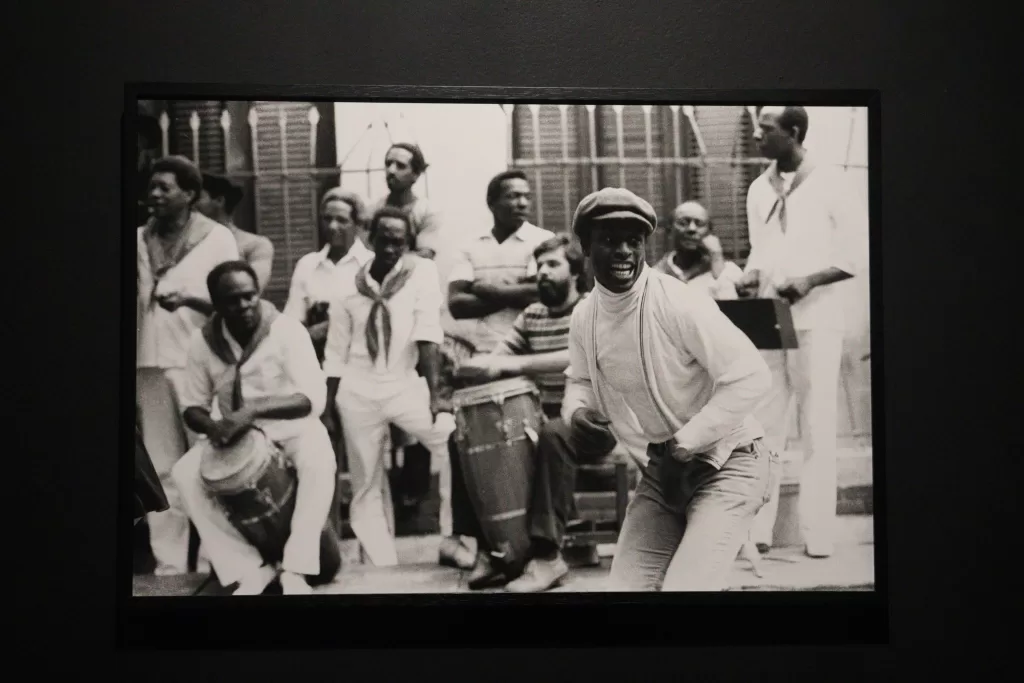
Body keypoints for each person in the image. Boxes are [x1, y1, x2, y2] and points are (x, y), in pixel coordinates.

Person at [562, 187, 776, 592]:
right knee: (624, 591)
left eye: (634, 241)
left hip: (732, 460)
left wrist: (685, 443)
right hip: (665, 472)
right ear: (586, 246)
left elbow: (751, 375)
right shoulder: (584, 315)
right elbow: (580, 380)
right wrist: (575, 412)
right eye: (609, 241)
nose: (624, 251)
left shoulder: (677, 301)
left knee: (686, 591)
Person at [736, 106, 867, 558]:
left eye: (766, 128)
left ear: (793, 133)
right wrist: (750, 277)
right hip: (771, 319)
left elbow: (854, 257)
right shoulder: (758, 189)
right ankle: (758, 530)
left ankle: (818, 534)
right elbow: (760, 252)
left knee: (816, 426)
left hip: (817, 320)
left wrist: (808, 281)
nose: (756, 135)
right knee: (764, 425)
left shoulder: (833, 182)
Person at [172, 261, 340, 596]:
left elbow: (312, 399)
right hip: (234, 434)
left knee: (319, 454)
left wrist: (251, 412)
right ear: (216, 305)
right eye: (233, 300)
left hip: (287, 425)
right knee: (185, 472)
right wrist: (212, 426)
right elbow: (191, 405)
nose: (245, 305)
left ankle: (296, 569)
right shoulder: (202, 341)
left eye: (250, 296)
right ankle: (248, 568)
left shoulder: (287, 330)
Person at [455, 234, 600, 591]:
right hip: (539, 419)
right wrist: (474, 364)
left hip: (592, 421)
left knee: (554, 432)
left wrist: (510, 365)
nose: (542, 274)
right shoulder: (532, 315)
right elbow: (500, 358)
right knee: (460, 435)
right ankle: (492, 549)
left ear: (576, 270)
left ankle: (548, 556)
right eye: (539, 267)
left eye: (553, 265)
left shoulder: (592, 310)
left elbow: (575, 359)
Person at [322, 206, 456, 567]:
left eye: (399, 242)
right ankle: (382, 565)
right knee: (365, 482)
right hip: (357, 390)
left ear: (408, 243)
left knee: (451, 440)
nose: (390, 249)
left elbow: (428, 335)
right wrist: (328, 408)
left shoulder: (421, 272)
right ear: (370, 238)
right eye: (384, 240)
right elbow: (335, 352)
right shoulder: (345, 283)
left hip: (405, 386)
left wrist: (435, 395)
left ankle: (454, 537)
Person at [442, 169, 556, 584]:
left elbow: (541, 294)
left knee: (531, 446)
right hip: (482, 361)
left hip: (534, 352)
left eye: (526, 196)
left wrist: (485, 289)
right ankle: (479, 540)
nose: (522, 203)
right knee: (466, 445)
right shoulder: (471, 246)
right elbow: (456, 304)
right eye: (512, 196)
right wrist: (512, 288)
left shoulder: (543, 242)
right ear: (493, 202)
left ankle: (536, 543)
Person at [136, 155, 240, 575]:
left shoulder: (217, 239)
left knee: (207, 460)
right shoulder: (138, 238)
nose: (154, 194)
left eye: (164, 187)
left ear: (190, 194)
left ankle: (220, 560)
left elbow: (235, 301)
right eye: (152, 187)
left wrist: (190, 300)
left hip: (196, 363)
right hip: (148, 364)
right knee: (161, 467)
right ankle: (170, 565)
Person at [283, 188, 374, 366]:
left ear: (357, 224)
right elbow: (292, 321)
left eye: (342, 220)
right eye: (327, 219)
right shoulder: (307, 265)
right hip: (315, 361)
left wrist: (328, 327)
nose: (332, 226)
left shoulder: (370, 266)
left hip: (358, 362)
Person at [196, 172, 274, 294]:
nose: (190, 205)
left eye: (197, 198)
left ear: (219, 200)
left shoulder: (255, 244)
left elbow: (250, 291)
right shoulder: (188, 242)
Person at [652, 200, 744, 300]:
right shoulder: (655, 277)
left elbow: (733, 312)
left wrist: (716, 257)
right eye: (683, 223)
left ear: (709, 232)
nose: (692, 229)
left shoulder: (729, 272)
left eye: (699, 224)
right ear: (669, 230)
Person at [369, 142, 441, 259]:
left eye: (400, 166)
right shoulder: (373, 209)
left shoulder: (427, 211)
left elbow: (425, 255)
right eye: (388, 164)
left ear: (416, 175)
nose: (391, 170)